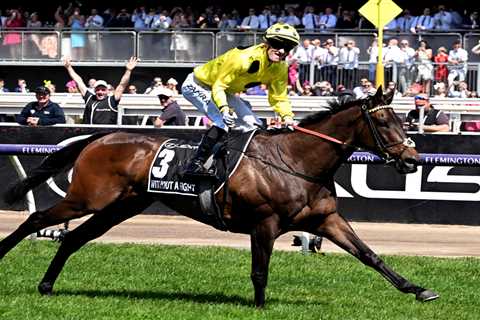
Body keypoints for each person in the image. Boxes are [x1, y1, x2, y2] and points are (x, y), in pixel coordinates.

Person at [181, 22, 299, 176]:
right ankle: (195, 164)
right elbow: (219, 86)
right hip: (198, 85)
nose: (282, 51)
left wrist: (287, 117)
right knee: (223, 121)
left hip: (224, 91)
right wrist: (224, 109)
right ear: (267, 42)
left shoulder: (281, 68)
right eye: (278, 44)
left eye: (288, 48)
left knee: (254, 126)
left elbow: (279, 97)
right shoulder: (243, 58)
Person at [64, 56, 138, 124]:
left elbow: (122, 85)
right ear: (94, 90)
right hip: (88, 133)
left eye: (103, 90)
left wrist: (128, 70)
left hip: (105, 135)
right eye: (98, 89)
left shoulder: (111, 100)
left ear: (107, 91)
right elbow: (78, 81)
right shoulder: (89, 97)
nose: (100, 92)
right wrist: (69, 67)